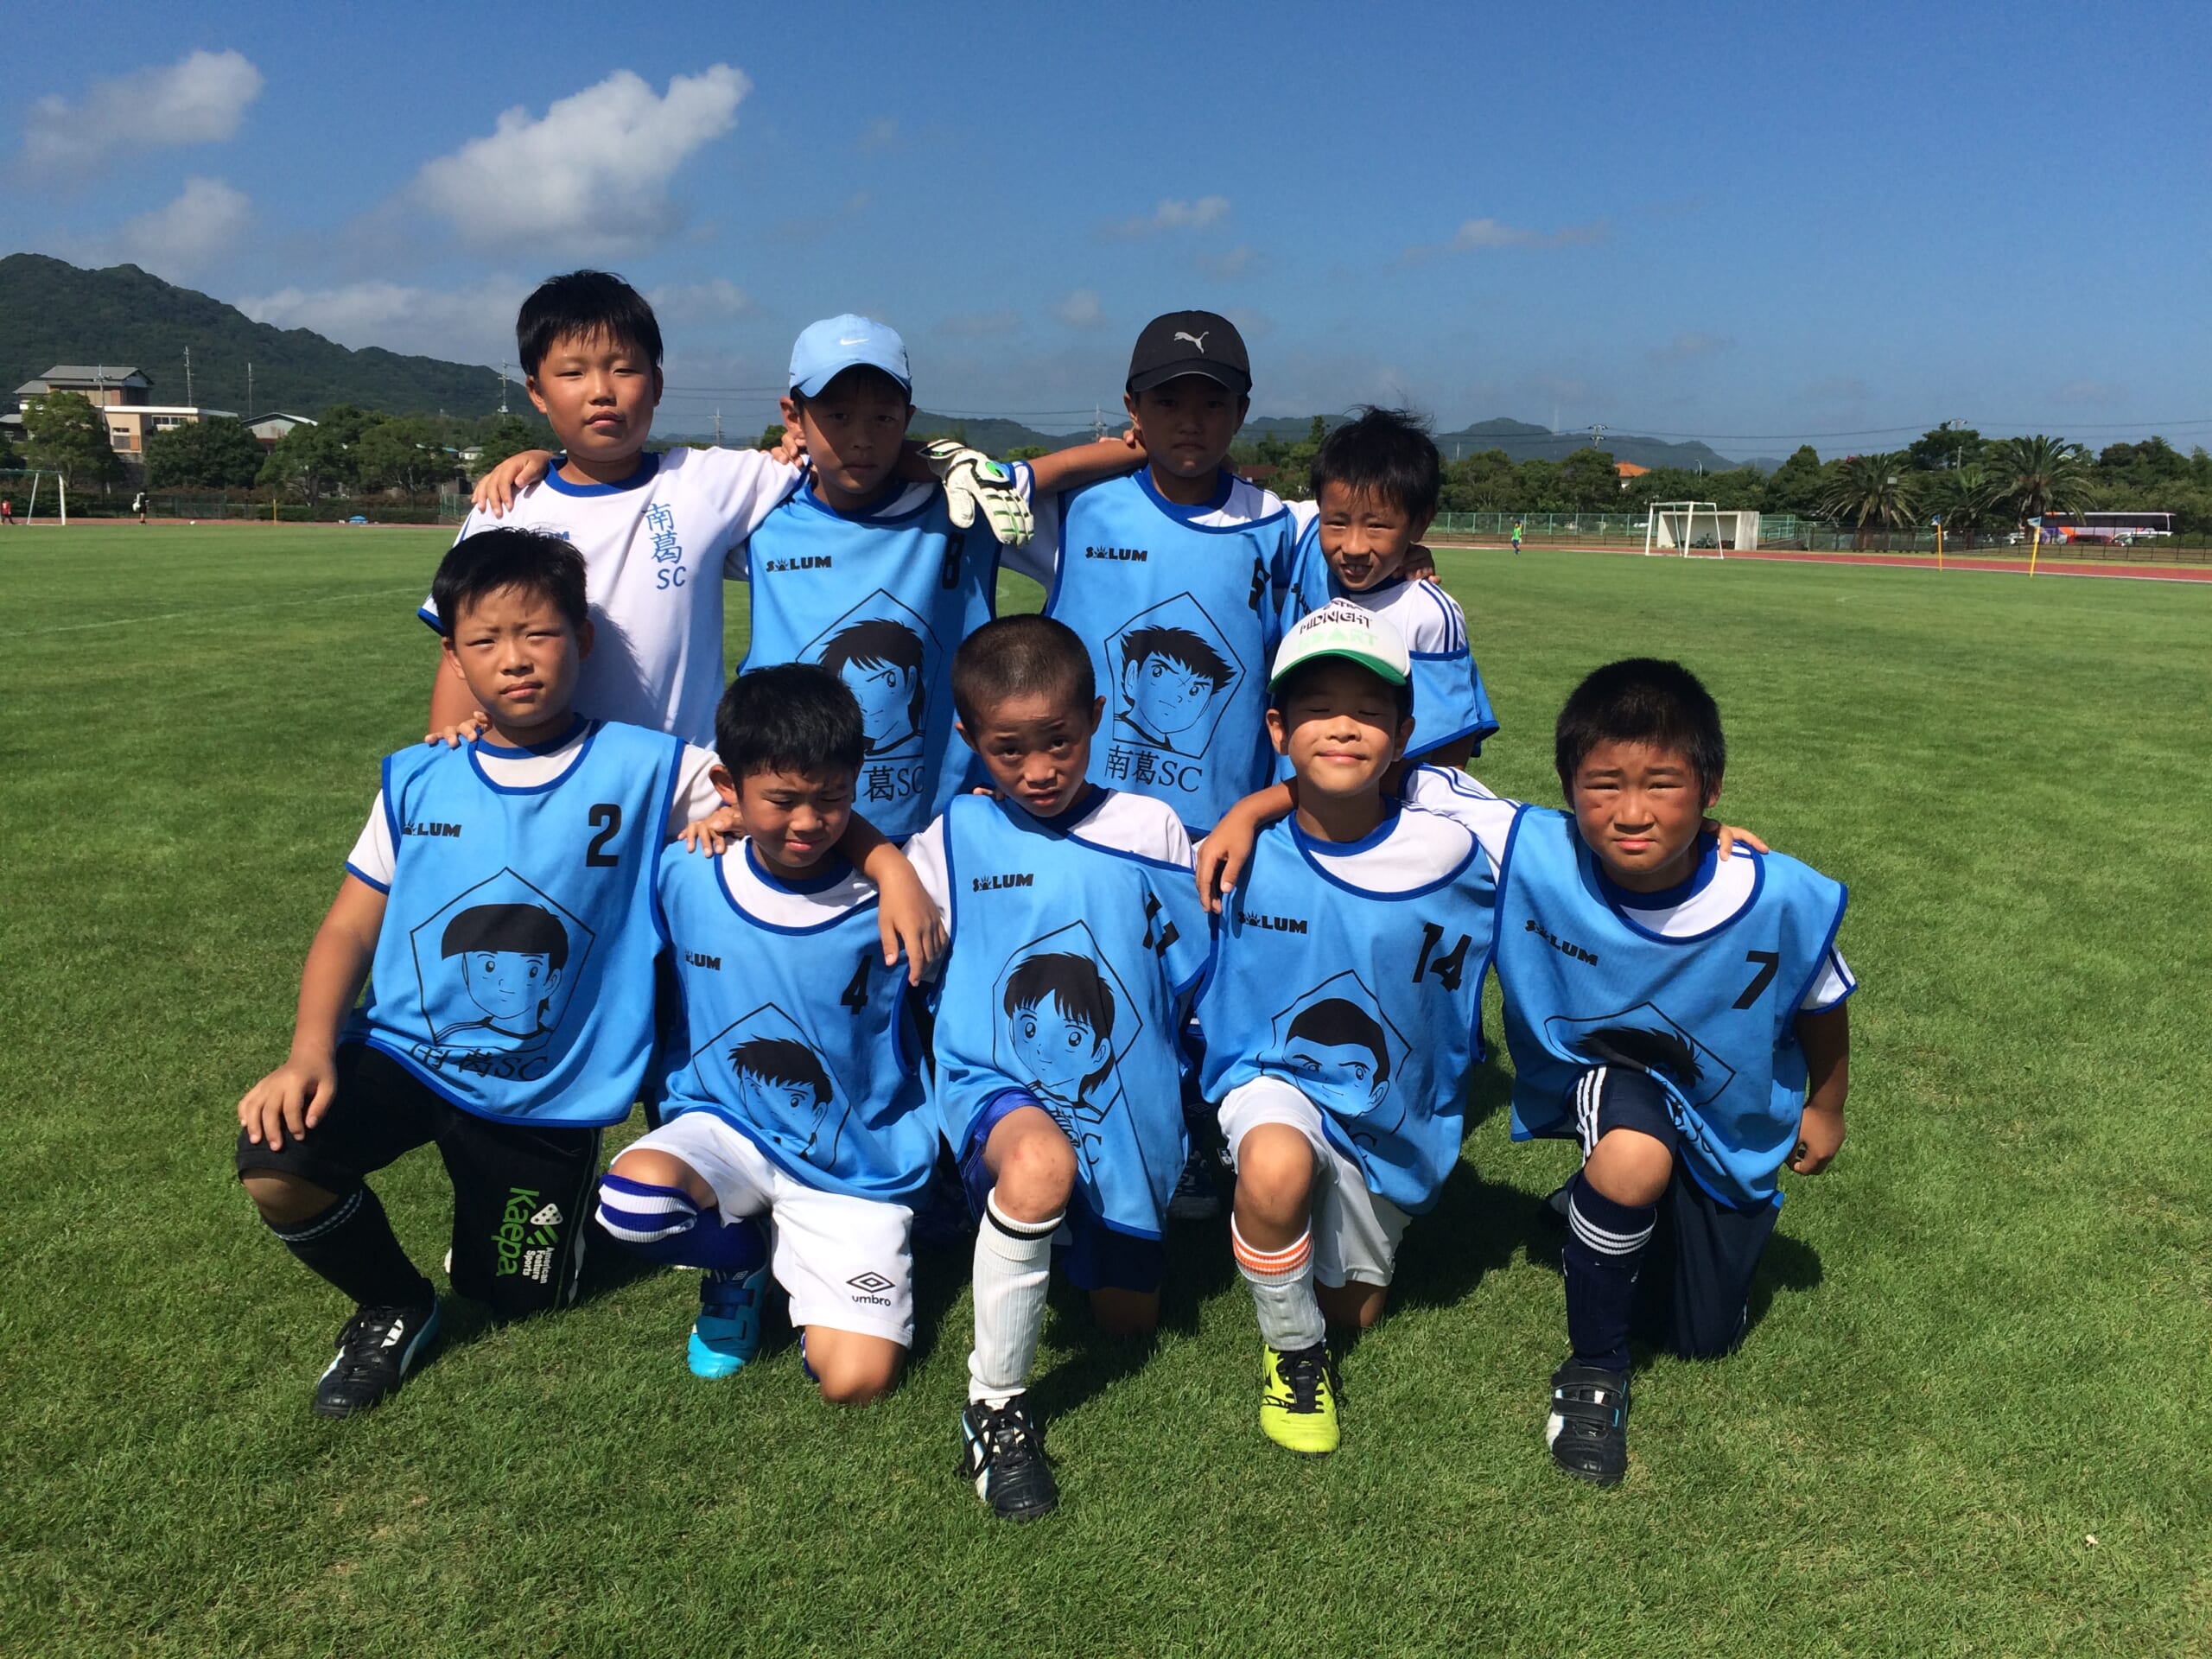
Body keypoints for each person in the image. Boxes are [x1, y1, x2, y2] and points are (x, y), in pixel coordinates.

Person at [232, 529, 711, 1417]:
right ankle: (395, 1304)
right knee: (276, 1158)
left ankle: (551, 1217)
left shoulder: (654, 767)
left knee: (517, 1296)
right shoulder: (420, 777)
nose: (514, 660)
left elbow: (777, 805)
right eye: (484, 641)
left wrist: (739, 824)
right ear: (454, 656)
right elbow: (348, 925)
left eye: (538, 634)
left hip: (546, 1089)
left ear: (582, 639)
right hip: (409, 1055)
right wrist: (309, 1050)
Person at [1484, 658, 1852, 1486]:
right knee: (1633, 1155)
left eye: (1663, 785)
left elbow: (1823, 1004)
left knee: (1701, 1337)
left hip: (1719, 1115)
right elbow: (1384, 778)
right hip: (1609, 1075)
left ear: (1710, 789)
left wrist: (1826, 1109)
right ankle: (1593, 1372)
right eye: (1603, 786)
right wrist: (1259, 808)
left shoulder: (1772, 896)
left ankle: (1587, 1207)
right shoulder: (1531, 851)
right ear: (1567, 787)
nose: (1632, 812)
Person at [440, 274, 1029, 751]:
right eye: (573, 373)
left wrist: (946, 459)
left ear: (658, 383)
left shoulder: (711, 479)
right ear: (536, 392)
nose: (601, 390)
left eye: (624, 369)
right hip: (553, 772)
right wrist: (446, 751)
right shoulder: (504, 507)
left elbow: (848, 449)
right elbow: (463, 648)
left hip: (687, 784)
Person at [904, 614, 1212, 1520]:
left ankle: (1033, 1224)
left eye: (1060, 742)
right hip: (995, 1082)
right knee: (1040, 1167)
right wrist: (882, 865)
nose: (1038, 770)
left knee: (1128, 1323)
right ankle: (995, 1408)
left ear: (1097, 719)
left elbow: (1187, 976)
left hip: (1123, 1100)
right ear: (970, 739)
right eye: (1009, 750)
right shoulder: (952, 835)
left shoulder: (1149, 826)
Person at [1193, 602, 1499, 1455]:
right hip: (1272, 1079)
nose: (1341, 728)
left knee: (1354, 1311)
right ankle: (1293, 1356)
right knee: (1275, 1165)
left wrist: (1702, 835)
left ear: (1403, 735)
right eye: (1318, 709)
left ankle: (1313, 1234)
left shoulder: (1455, 848)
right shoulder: (1233, 853)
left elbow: (1588, 848)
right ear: (1277, 728)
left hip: (1386, 1116)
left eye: (1367, 713)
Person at [592, 664, 939, 1405]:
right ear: (728, 787)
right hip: (727, 1128)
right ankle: (740, 1259)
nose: (808, 822)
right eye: (782, 801)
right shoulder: (686, 873)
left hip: (852, 1162)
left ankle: (808, 1263)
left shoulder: (898, 897)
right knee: (631, 1204)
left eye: (832, 798)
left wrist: (892, 867)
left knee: (855, 1383)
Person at [1004, 310, 1300, 842]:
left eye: (1213, 404)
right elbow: (955, 491)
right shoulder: (1076, 510)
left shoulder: (1276, 524)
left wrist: (1410, 553)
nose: (1191, 422)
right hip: (1084, 821)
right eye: (1167, 402)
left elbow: (1362, 541)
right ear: (1132, 409)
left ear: (1241, 413)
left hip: (1218, 831)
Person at [1282, 408, 1497, 767]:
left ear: (1420, 522)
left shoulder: (1428, 613)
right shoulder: (1300, 538)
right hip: (1293, 792)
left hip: (1375, 797)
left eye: (1377, 527)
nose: (1353, 546)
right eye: (1337, 523)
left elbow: (1451, 742)